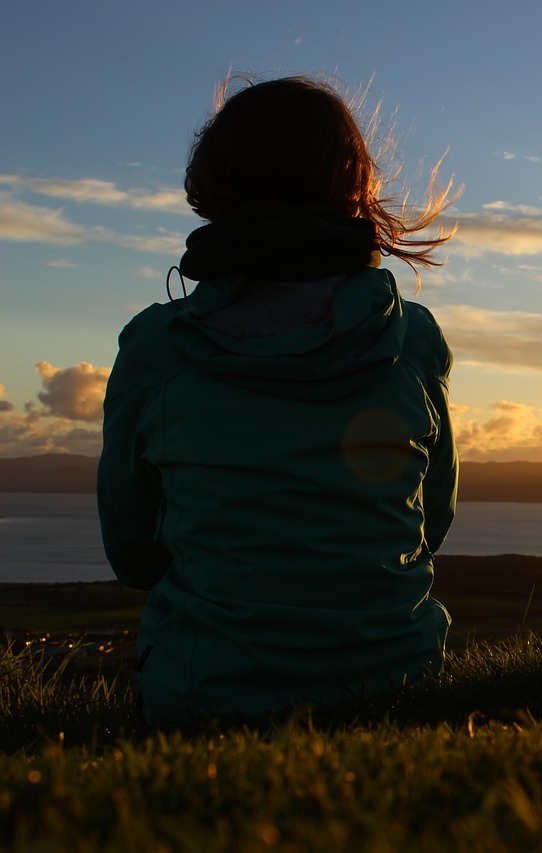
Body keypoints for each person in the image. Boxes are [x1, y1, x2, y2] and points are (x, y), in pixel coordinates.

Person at [97, 76, 459, 728]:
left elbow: (132, 552)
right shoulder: (412, 340)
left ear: (214, 186)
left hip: (204, 697)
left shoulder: (157, 348)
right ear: (354, 186)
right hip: (400, 687)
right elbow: (429, 523)